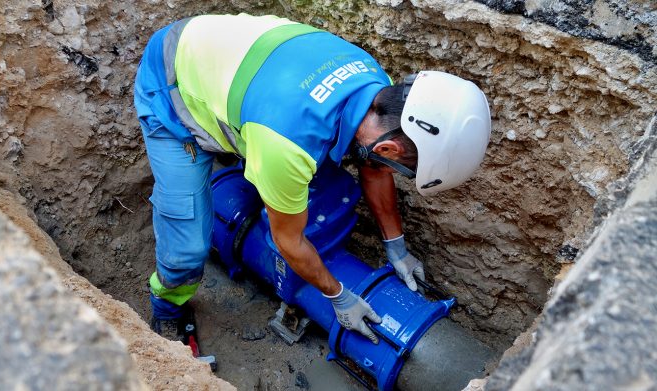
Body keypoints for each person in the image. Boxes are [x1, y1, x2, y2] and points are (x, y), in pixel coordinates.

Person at [134, 14, 491, 344]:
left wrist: (396, 246)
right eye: (401, 168)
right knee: (187, 249)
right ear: (389, 149)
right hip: (174, 84)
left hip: (237, 72)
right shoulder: (289, 144)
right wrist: (339, 296)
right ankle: (168, 309)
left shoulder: (379, 89)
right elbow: (287, 242)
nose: (390, 170)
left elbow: (375, 167)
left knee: (300, 167)